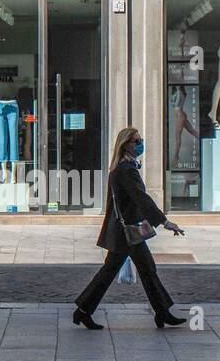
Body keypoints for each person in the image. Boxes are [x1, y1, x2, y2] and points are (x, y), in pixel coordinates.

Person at [74, 127, 187, 330]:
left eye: (140, 139)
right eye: (136, 141)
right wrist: (164, 221)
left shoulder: (123, 168)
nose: (140, 143)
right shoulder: (126, 170)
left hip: (124, 230)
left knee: (123, 270)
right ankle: (162, 313)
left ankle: (83, 311)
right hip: (127, 232)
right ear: (125, 144)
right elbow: (142, 199)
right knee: (146, 270)